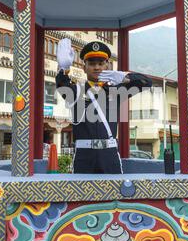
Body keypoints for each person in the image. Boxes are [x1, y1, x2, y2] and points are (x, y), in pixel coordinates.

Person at [56, 38, 152, 174]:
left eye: (101, 63)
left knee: (113, 194)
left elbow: (146, 83)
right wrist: (63, 69)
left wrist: (125, 77)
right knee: (83, 194)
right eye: (92, 63)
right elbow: (61, 85)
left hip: (109, 156)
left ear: (107, 66)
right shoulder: (76, 91)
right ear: (84, 67)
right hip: (84, 156)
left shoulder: (116, 91)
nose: (96, 67)